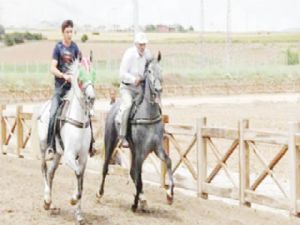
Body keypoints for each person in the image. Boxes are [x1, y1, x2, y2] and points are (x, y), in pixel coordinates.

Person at [46, 20, 80, 154]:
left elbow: (80, 65)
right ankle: (50, 145)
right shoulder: (58, 47)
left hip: (72, 89)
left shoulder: (75, 48)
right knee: (53, 113)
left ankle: (90, 144)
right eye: (67, 32)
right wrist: (63, 75)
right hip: (60, 89)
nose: (70, 34)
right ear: (63, 32)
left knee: (85, 111)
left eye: (71, 31)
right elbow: (52, 68)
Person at [115, 32, 151, 143]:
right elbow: (121, 73)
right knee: (128, 105)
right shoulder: (129, 54)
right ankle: (122, 135)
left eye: (144, 44)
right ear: (136, 44)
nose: (142, 47)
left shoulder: (147, 55)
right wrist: (133, 79)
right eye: (140, 44)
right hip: (127, 88)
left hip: (140, 88)